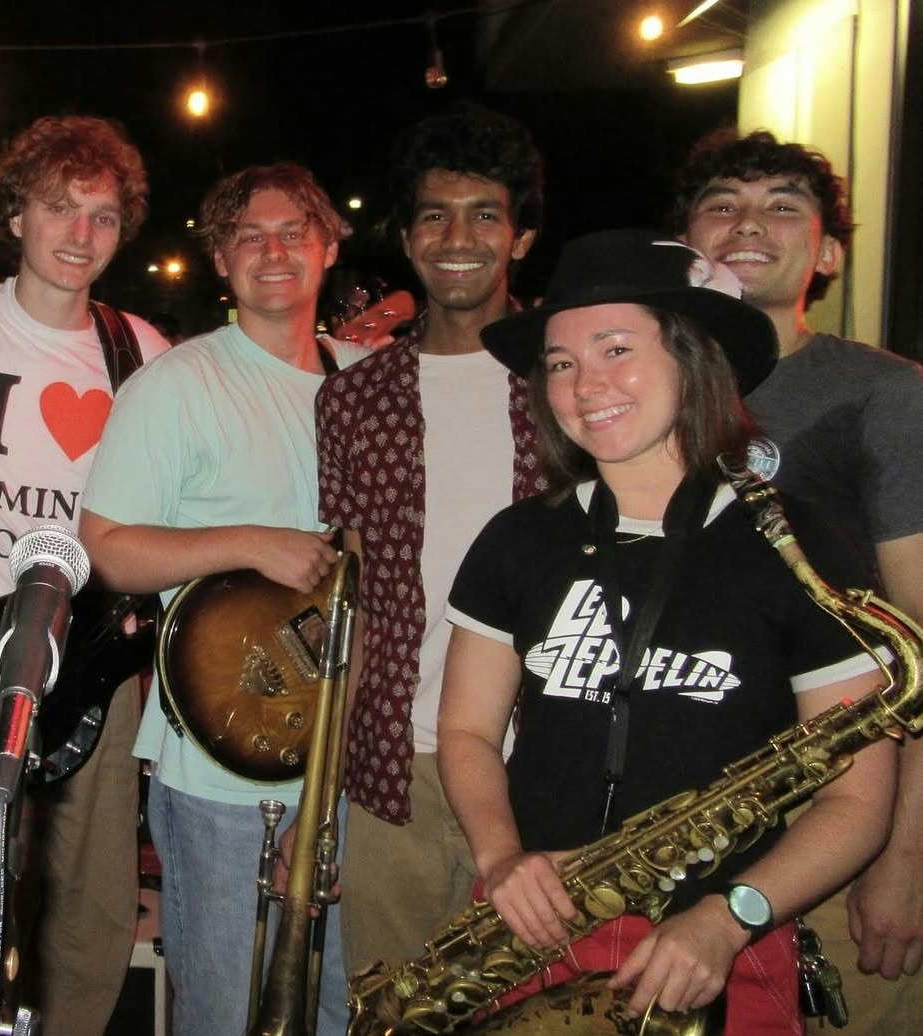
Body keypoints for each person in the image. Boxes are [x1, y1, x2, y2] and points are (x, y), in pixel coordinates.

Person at [441, 228, 895, 1033]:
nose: (586, 385)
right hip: (531, 926)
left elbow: (858, 798)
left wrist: (729, 917)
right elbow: (469, 731)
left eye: (616, 349)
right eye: (561, 362)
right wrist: (499, 858)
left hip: (716, 936)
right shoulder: (517, 539)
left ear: (695, 357)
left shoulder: (803, 547)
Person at [80, 162, 370, 1036]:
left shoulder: (370, 382)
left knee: (339, 1008)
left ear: (329, 246)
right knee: (228, 1010)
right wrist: (252, 543)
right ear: (220, 259)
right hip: (222, 766)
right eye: (249, 235)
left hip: (350, 754)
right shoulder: (177, 384)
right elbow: (110, 549)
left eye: (294, 232)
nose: (273, 250)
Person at [0, 114, 168, 1036]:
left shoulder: (140, 351)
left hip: (96, 676)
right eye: (59, 208)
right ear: (15, 214)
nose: (80, 235)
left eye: (103, 217)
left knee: (91, 908)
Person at [675, 129, 923, 1029]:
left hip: (844, 815)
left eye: (783, 205)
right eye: (722, 205)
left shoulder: (883, 393)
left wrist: (901, 855)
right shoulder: (638, 392)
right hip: (694, 834)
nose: (749, 224)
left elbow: (919, 646)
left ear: (828, 250)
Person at [315, 105, 547, 977]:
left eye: (485, 214)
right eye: (433, 215)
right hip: (392, 772)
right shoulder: (352, 401)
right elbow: (355, 598)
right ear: (407, 239)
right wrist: (324, 777)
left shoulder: (573, 384)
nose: (459, 237)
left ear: (520, 238)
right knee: (395, 1007)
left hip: (545, 765)